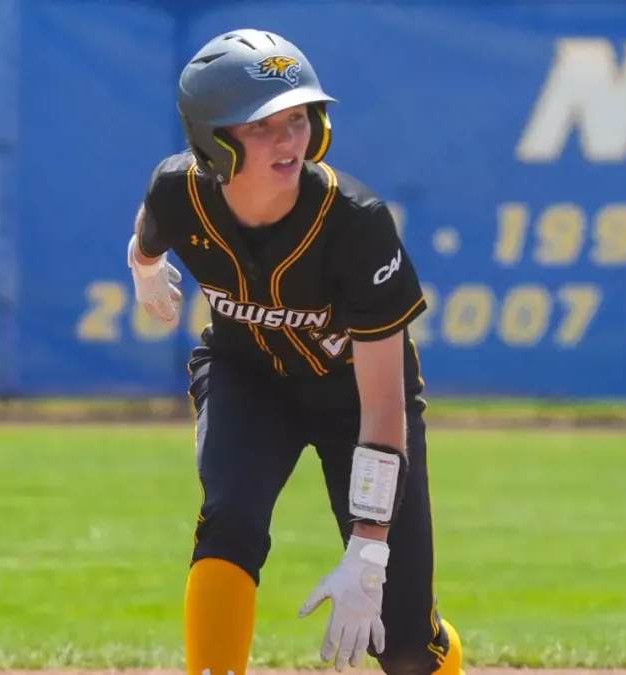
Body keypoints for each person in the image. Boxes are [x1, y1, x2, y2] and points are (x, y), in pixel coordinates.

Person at [126, 29, 465, 675]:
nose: (288, 140)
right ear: (211, 140)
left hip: (355, 402)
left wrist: (367, 549)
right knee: (230, 518)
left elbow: (383, 404)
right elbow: (147, 236)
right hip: (245, 376)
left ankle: (430, 645)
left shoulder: (356, 223)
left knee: (401, 647)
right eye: (261, 126)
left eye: (299, 118)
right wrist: (145, 273)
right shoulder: (179, 191)